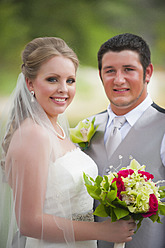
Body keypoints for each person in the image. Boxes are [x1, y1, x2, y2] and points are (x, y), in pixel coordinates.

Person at [0, 37, 136, 248]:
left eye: (70, 80)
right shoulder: (32, 135)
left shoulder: (57, 131)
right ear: (30, 83)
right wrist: (104, 231)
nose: (64, 89)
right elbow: (29, 223)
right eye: (52, 79)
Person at [83, 33, 165, 248]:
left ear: (147, 73)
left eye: (128, 69)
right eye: (110, 71)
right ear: (101, 75)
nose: (118, 80)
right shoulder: (86, 127)